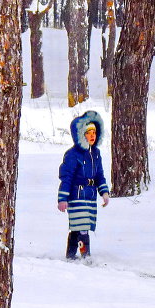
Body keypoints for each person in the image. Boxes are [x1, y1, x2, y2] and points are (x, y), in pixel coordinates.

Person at [57, 110, 110, 260]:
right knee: (82, 227)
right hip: (77, 196)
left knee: (78, 228)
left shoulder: (96, 153)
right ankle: (86, 256)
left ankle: (70, 255)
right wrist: (63, 198)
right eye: (88, 132)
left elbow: (99, 175)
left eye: (94, 132)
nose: (92, 135)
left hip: (90, 196)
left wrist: (104, 193)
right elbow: (66, 177)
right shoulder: (73, 154)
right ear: (81, 135)